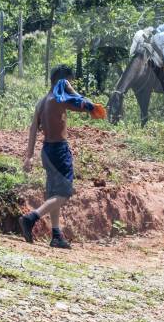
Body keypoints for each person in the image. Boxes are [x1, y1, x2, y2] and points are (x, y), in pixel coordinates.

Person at [19, 65, 106, 249]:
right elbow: (92, 109)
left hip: (46, 151)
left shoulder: (42, 102)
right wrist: (72, 90)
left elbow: (33, 128)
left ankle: (56, 235)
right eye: (69, 82)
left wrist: (29, 156)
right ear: (63, 82)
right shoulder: (61, 100)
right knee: (64, 193)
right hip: (59, 150)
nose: (70, 85)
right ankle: (31, 217)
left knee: (53, 194)